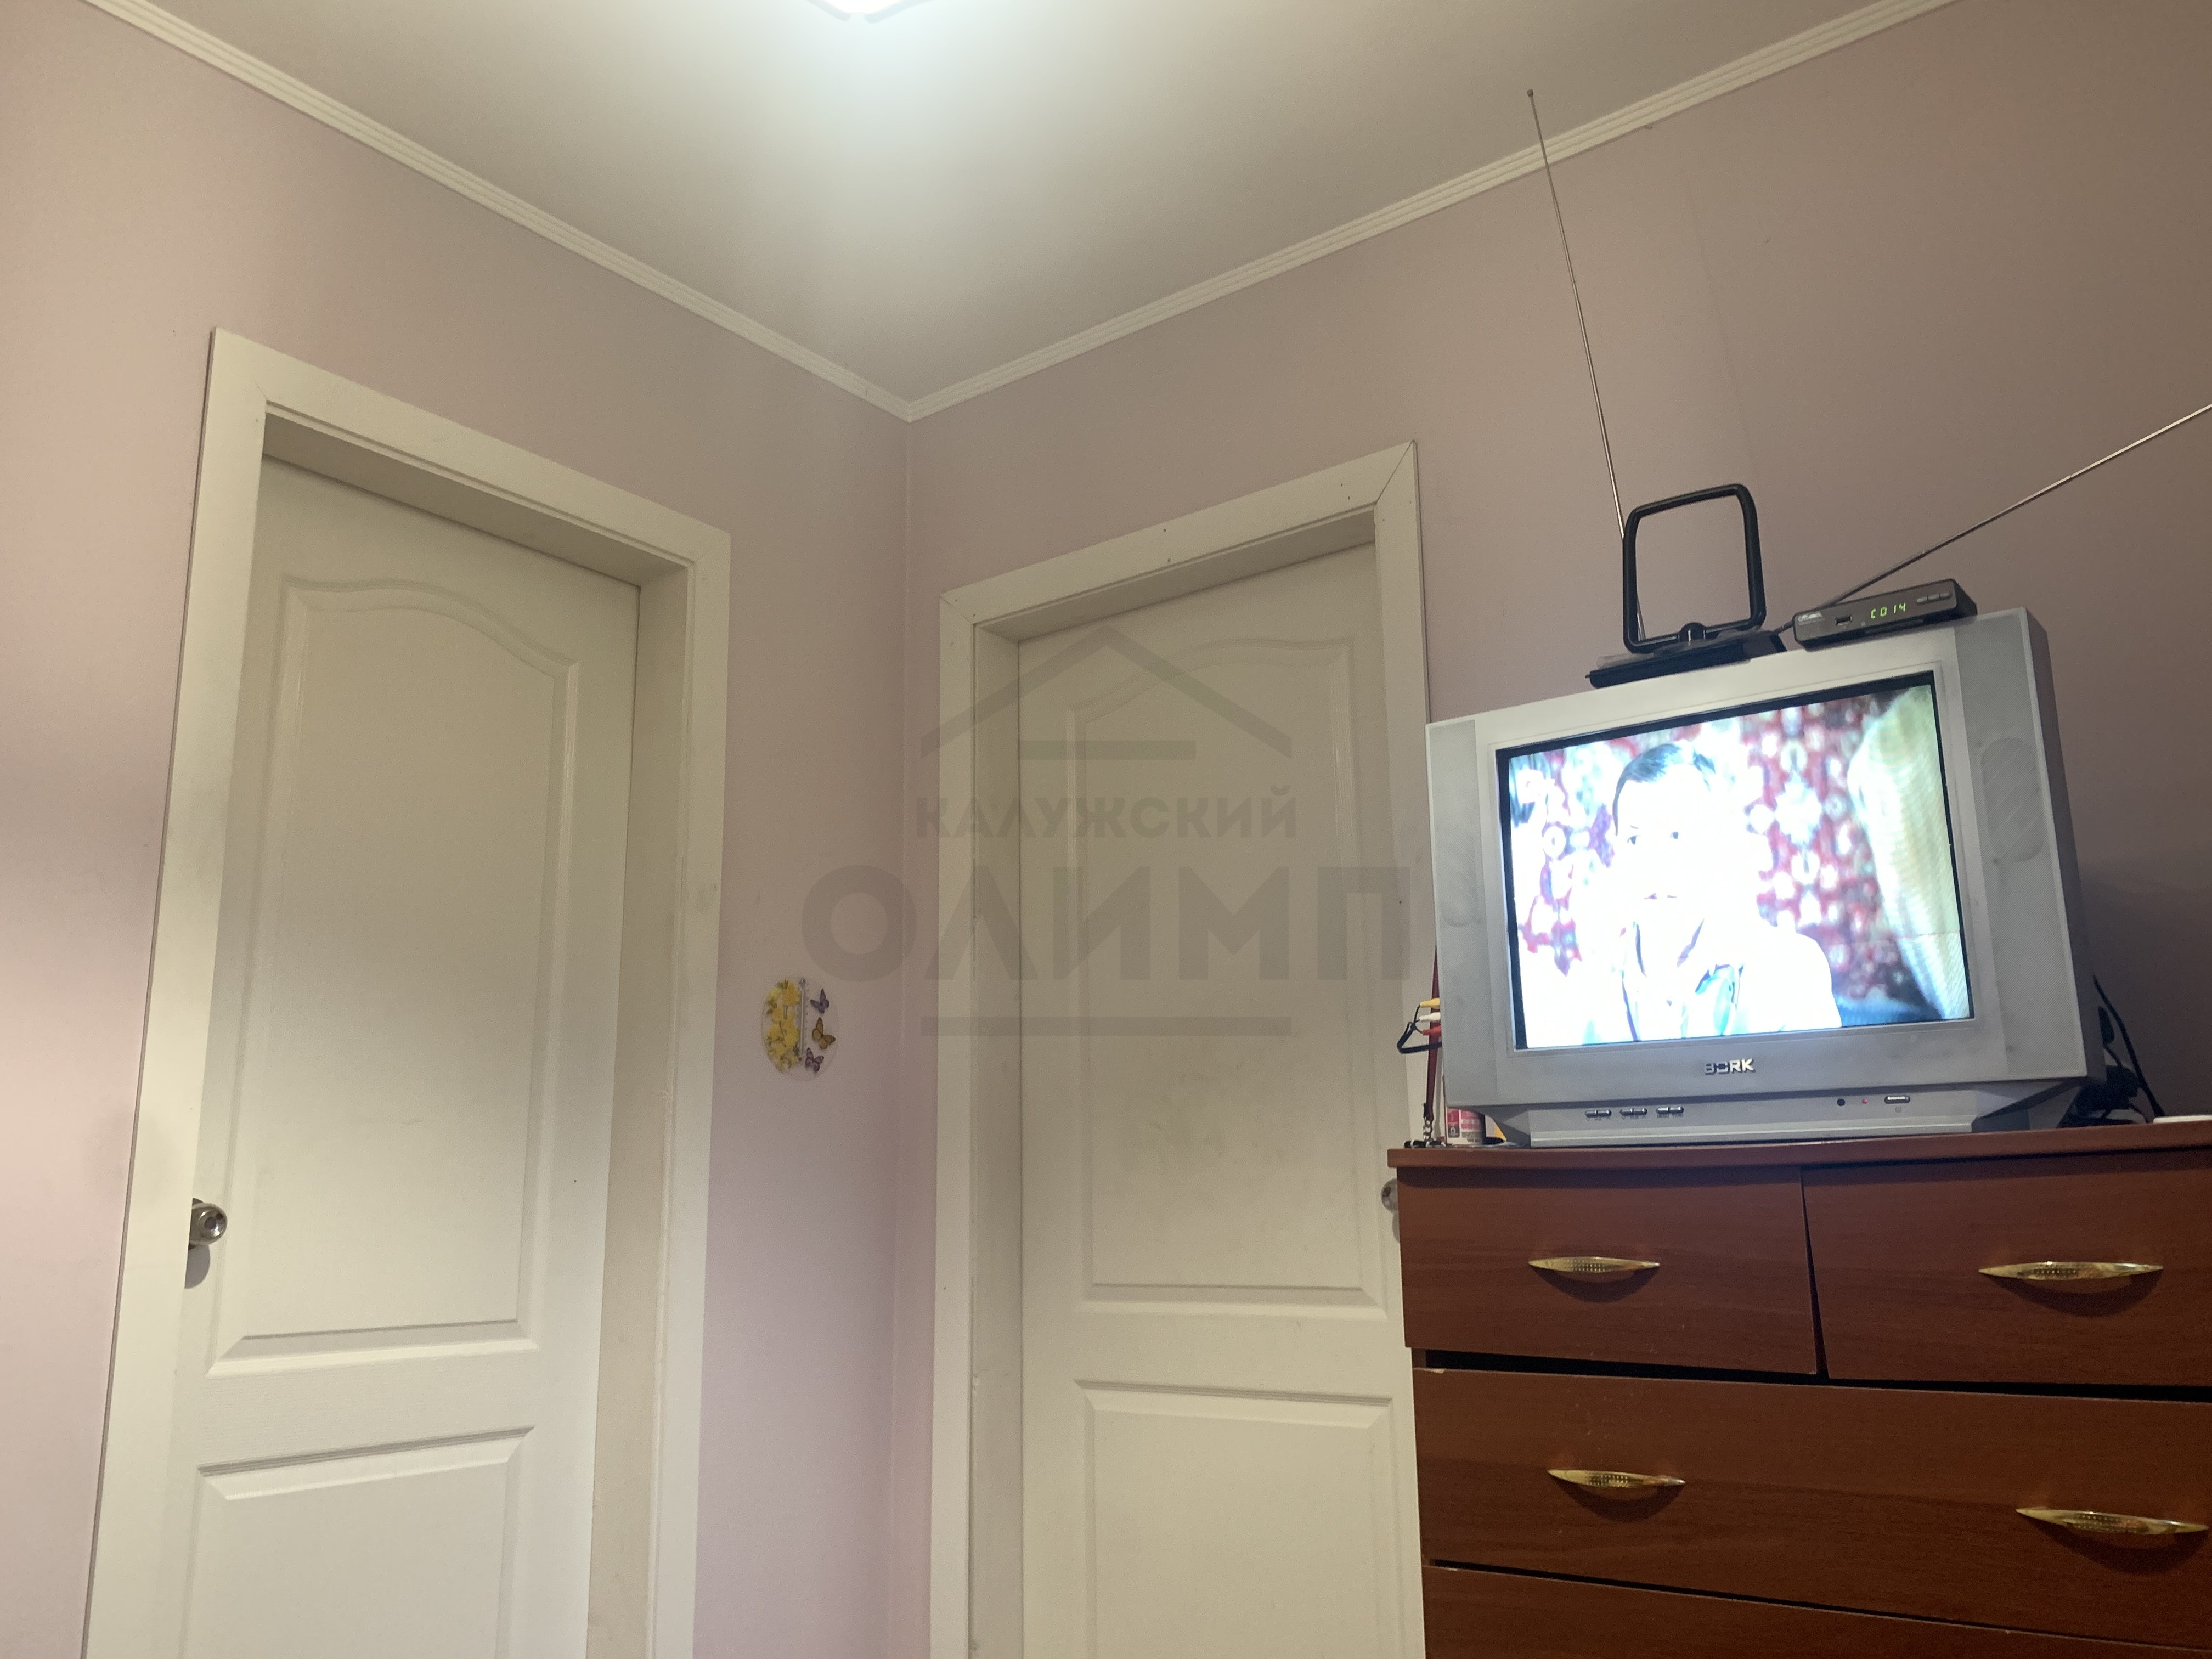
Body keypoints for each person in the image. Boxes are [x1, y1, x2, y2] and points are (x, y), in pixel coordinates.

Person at [1566, 742, 1841, 1042]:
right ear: (1616, 854)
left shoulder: (1791, 970)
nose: (1653, 863)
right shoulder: (1588, 990)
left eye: (1675, 836)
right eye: (1635, 840)